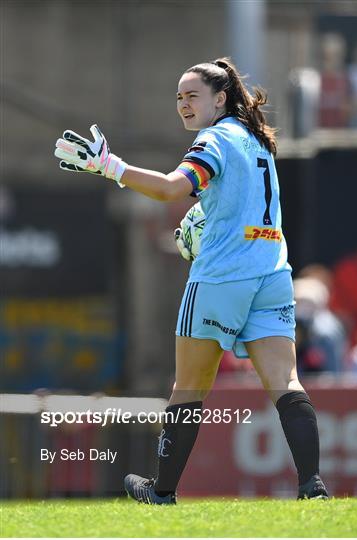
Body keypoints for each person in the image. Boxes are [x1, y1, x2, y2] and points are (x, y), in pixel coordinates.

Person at [54, 57, 328, 504]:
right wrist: (205, 221)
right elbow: (226, 202)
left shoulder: (215, 137)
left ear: (220, 99)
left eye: (192, 95)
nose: (183, 104)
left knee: (188, 388)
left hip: (222, 277)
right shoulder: (256, 140)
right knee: (286, 381)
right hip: (273, 271)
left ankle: (162, 491)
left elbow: (169, 189)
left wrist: (110, 166)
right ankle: (311, 486)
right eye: (179, 97)